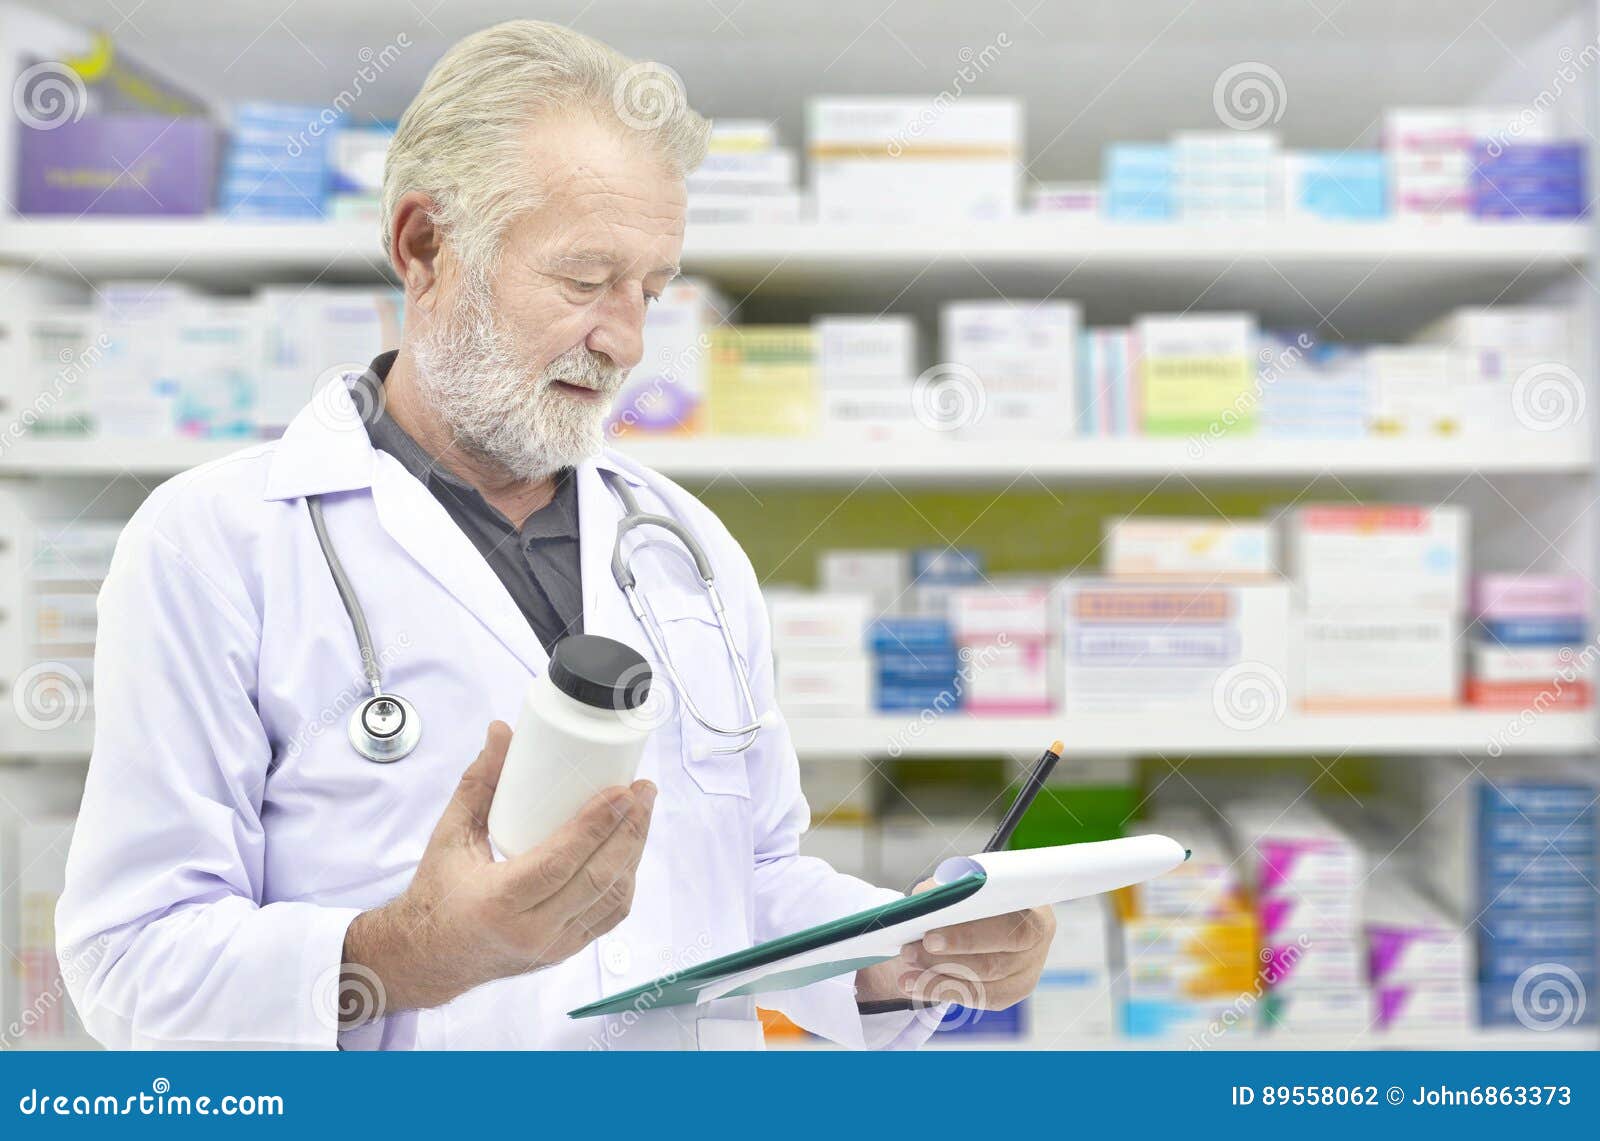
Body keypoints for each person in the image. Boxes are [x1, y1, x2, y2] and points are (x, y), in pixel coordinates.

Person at [55, 19, 1053, 1050]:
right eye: (583, 281)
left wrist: (902, 954)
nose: (624, 339)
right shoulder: (213, 542)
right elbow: (131, 963)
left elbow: (750, 877)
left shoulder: (686, 547)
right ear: (423, 245)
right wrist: (411, 951)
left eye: (651, 290)